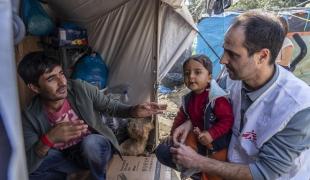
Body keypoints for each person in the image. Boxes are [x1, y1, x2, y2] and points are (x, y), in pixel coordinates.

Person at [170, 11, 310, 180]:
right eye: (224, 51)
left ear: (262, 56)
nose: (222, 60)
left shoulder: (299, 105)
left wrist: (198, 161)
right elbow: (206, 101)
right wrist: (189, 121)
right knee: (167, 152)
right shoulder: (230, 80)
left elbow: (264, 173)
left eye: (233, 54)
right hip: (231, 161)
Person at [17, 51, 166, 180]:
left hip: (95, 150)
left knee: (91, 144)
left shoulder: (79, 88)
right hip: (65, 158)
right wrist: (49, 139)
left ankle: (97, 176)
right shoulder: (30, 117)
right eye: (51, 79)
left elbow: (110, 106)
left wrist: (133, 110)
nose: (61, 82)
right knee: (31, 171)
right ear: (35, 87)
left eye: (61, 74)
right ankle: (73, 175)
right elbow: (28, 163)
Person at [155, 54, 234, 180]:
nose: (191, 76)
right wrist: (172, 133)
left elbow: (227, 120)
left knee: (216, 169)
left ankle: (203, 171)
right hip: (197, 136)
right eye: (187, 73)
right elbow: (181, 117)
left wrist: (211, 134)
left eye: (197, 72)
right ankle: (190, 165)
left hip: (216, 142)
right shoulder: (188, 99)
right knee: (179, 142)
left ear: (209, 77)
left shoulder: (216, 99)